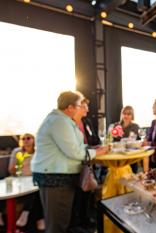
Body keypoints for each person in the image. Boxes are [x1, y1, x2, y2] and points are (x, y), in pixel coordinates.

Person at [31, 91, 109, 233]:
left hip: (59, 177)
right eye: (80, 105)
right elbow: (75, 152)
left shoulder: (64, 120)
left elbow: (76, 147)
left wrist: (91, 148)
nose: (82, 108)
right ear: (70, 107)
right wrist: (97, 152)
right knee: (57, 224)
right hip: (55, 178)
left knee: (61, 221)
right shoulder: (59, 122)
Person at [71, 97, 101, 229]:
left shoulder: (86, 121)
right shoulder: (69, 123)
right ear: (77, 107)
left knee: (87, 189)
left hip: (88, 159)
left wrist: (95, 146)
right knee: (76, 192)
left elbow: (95, 138)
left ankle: (86, 218)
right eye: (84, 106)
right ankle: (76, 222)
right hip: (74, 163)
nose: (87, 109)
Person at [8, 133, 45, 231]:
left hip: (33, 178)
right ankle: (37, 218)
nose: (25, 140)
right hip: (19, 179)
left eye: (28, 138)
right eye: (23, 139)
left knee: (37, 190)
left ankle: (27, 214)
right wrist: (19, 163)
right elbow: (11, 170)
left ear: (33, 140)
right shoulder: (17, 151)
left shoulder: (38, 152)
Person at [119, 106, 140, 172]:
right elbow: (113, 140)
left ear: (132, 116)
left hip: (131, 156)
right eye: (124, 114)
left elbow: (132, 141)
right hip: (119, 156)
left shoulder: (135, 126)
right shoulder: (116, 126)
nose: (126, 116)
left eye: (128, 114)